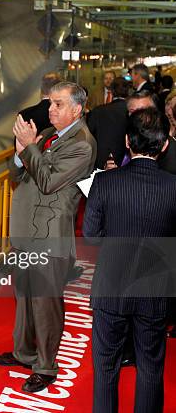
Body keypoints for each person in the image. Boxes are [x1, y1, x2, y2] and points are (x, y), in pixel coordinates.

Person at [0, 82, 96, 393]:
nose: (51, 110)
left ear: (76, 109)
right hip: (28, 232)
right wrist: (21, 151)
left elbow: (49, 182)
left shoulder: (83, 144)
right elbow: (19, 174)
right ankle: (24, 353)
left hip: (50, 237)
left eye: (59, 105)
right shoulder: (52, 135)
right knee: (24, 298)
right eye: (50, 103)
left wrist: (31, 147)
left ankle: (46, 366)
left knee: (46, 304)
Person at [83, 107, 176, 413]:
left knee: (106, 370)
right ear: (164, 144)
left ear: (127, 141)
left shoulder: (105, 183)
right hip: (156, 288)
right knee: (150, 368)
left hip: (111, 286)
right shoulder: (173, 187)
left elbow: (92, 237)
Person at [87, 77, 131, 169]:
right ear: (128, 91)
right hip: (127, 162)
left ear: (112, 91)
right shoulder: (132, 112)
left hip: (101, 162)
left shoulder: (98, 111)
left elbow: (88, 137)